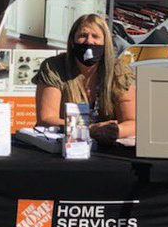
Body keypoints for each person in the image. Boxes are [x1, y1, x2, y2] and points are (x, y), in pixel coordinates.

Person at [35, 12, 135, 143]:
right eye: (83, 36)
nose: (89, 41)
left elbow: (132, 122)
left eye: (95, 36)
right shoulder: (53, 67)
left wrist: (112, 131)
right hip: (64, 146)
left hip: (107, 148)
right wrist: (90, 130)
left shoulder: (120, 71)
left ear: (106, 42)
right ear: (72, 41)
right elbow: (46, 119)